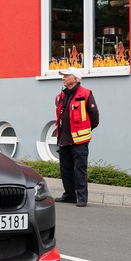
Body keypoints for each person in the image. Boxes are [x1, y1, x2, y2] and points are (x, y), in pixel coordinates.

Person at [54, 67, 99, 207]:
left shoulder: (85, 94)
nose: (63, 78)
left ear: (75, 78)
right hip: (64, 139)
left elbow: (95, 118)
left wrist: (84, 130)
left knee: (80, 169)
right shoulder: (61, 95)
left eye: (66, 76)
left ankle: (82, 198)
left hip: (79, 140)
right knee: (65, 169)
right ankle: (69, 195)